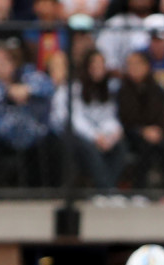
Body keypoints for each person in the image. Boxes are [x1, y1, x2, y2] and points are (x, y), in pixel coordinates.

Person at [0, 41, 57, 189]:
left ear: (14, 63)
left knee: (53, 140)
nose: (0, 65)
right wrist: (7, 91)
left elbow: (48, 86)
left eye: (5, 60)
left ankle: (47, 191)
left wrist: (28, 90)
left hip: (27, 136)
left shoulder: (27, 76)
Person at [54, 49, 126, 194]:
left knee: (120, 146)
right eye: (95, 65)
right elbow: (75, 119)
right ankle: (105, 190)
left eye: (101, 65)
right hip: (71, 132)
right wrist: (96, 137)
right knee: (89, 148)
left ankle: (109, 188)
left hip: (98, 132)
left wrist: (113, 133)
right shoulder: (74, 87)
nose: (98, 69)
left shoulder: (107, 87)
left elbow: (108, 116)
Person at [117, 50, 164, 191]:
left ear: (147, 66)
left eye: (137, 64)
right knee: (143, 146)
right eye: (130, 64)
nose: (133, 68)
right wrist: (142, 131)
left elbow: (161, 116)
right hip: (132, 133)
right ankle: (139, 189)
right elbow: (125, 118)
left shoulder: (157, 90)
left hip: (155, 131)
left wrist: (157, 130)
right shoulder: (122, 90)